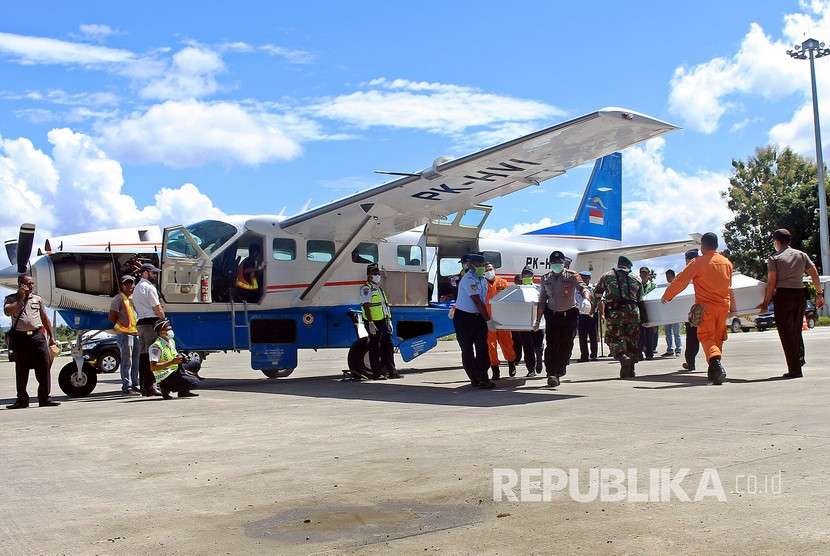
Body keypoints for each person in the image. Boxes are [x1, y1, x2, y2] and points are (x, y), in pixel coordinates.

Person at [662, 233, 735, 385]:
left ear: (703, 246)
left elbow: (681, 280)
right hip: (723, 307)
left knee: (706, 337)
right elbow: (730, 287)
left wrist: (667, 296)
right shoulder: (727, 263)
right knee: (718, 337)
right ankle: (713, 371)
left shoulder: (697, 262)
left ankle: (716, 365)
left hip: (706, 307)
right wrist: (732, 307)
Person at [759, 228, 824, 378]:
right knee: (796, 330)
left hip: (783, 296)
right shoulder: (801, 255)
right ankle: (799, 358)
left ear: (777, 242)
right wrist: (819, 293)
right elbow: (814, 272)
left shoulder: (774, 258)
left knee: (786, 333)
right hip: (799, 294)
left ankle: (795, 369)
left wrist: (765, 302)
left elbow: (771, 283)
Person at [533, 251, 590, 387]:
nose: (556, 266)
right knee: (551, 345)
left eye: (559, 263)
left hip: (569, 314)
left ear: (563, 263)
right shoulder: (546, 278)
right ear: (550, 264)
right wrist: (537, 319)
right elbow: (542, 299)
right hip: (552, 315)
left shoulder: (572, 275)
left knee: (566, 345)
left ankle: (560, 368)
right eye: (554, 263)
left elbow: (583, 288)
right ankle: (552, 373)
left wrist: (586, 299)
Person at [4, 274, 60, 409]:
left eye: (32, 283)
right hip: (20, 338)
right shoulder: (11, 298)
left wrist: (51, 337)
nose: (31, 286)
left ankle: (45, 398)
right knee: (21, 369)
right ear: (20, 284)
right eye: (28, 283)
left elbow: (44, 318)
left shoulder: (37, 299)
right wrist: (20, 298)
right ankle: (22, 400)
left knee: (44, 366)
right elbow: (7, 311)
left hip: (37, 336)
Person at [593, 256, 642, 378]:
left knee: (613, 338)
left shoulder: (607, 276)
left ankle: (622, 357)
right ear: (629, 267)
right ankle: (630, 370)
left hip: (615, 313)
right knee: (631, 340)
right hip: (633, 314)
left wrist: (594, 308)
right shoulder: (636, 277)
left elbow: (597, 294)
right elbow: (641, 300)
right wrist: (645, 318)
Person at [453, 253, 496, 389]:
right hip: (464, 318)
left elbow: (483, 302)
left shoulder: (483, 280)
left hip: (478, 318)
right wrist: (489, 320)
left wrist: (486, 318)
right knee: (467, 349)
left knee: (482, 348)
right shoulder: (468, 279)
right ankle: (474, 378)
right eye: (478, 265)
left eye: (482, 265)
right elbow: (477, 301)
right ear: (471, 265)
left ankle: (483, 377)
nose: (481, 268)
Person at [359, 264, 400, 380]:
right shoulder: (366, 289)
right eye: (374, 273)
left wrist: (388, 320)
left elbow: (384, 306)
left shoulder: (379, 289)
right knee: (374, 346)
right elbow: (366, 306)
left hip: (383, 320)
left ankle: (392, 371)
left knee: (388, 344)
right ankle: (376, 373)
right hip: (373, 322)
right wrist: (370, 322)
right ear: (369, 276)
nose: (377, 276)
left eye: (378, 273)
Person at [133, 262, 165, 397]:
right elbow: (157, 307)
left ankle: (145, 386)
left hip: (140, 323)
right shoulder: (149, 287)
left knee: (143, 355)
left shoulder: (136, 288)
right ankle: (152, 385)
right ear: (145, 273)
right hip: (151, 323)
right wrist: (163, 318)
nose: (155, 275)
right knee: (153, 354)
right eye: (153, 273)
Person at [148, 319, 199, 399]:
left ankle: (183, 392)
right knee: (194, 382)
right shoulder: (156, 346)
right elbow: (153, 367)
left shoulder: (171, 341)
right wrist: (172, 362)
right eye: (168, 329)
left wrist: (181, 358)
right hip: (165, 374)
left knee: (194, 362)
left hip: (174, 369)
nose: (170, 331)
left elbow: (173, 355)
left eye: (170, 328)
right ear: (161, 332)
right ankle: (165, 387)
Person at [109, 275, 141, 395]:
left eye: (131, 283)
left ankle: (135, 384)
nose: (129, 286)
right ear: (122, 286)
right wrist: (121, 325)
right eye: (126, 284)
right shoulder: (118, 299)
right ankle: (126, 386)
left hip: (135, 333)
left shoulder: (133, 298)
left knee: (136, 360)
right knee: (127, 361)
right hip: (125, 334)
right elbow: (112, 316)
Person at [484, 262, 516, 379]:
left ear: (494, 269)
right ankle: (495, 369)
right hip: (488, 319)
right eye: (486, 270)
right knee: (490, 346)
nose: (489, 271)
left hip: (502, 319)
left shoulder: (503, 282)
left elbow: (510, 299)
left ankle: (511, 363)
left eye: (490, 269)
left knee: (507, 343)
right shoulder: (482, 283)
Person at [514, 268, 544, 377]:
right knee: (527, 347)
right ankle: (531, 369)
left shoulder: (538, 288)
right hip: (524, 322)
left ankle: (539, 360)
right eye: (525, 275)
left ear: (533, 276)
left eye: (529, 275)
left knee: (538, 346)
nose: (527, 276)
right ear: (522, 276)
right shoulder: (517, 289)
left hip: (538, 321)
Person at [681, 249, 701, 371]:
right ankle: (714, 361)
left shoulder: (688, 271)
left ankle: (691, 363)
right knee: (707, 337)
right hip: (707, 308)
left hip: (693, 311)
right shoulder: (705, 268)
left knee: (692, 338)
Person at [576, 271, 598, 362]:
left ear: (589, 278)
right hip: (581, 315)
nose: (584, 280)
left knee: (593, 336)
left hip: (592, 314)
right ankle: (584, 355)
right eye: (582, 278)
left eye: (586, 278)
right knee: (582, 337)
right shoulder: (576, 289)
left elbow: (597, 300)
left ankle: (593, 355)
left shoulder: (593, 288)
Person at [661, 270, 683, 357]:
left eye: (669, 276)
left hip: (675, 313)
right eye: (667, 277)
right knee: (668, 333)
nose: (668, 278)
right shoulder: (664, 287)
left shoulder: (678, 286)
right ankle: (670, 350)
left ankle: (678, 349)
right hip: (667, 313)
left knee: (676, 333)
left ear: (673, 276)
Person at [637, 267, 658, 360]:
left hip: (651, 312)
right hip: (641, 312)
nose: (643, 275)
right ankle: (640, 353)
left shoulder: (653, 286)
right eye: (642, 273)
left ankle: (649, 354)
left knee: (650, 334)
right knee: (640, 334)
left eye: (645, 273)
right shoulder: (637, 285)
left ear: (649, 274)